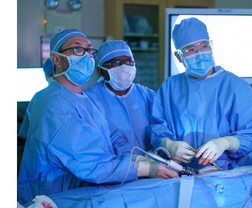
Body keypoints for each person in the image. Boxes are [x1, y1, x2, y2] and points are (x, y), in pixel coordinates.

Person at [17, 29, 178, 205]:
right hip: (52, 197)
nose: (86, 56)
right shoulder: (53, 103)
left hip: (84, 192)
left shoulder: (84, 100)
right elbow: (89, 161)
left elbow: (105, 143)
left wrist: (141, 157)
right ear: (57, 59)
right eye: (77, 49)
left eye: (89, 50)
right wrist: (145, 167)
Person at [149, 17, 252, 171]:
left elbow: (251, 134)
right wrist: (168, 144)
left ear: (211, 47)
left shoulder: (236, 86)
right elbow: (157, 127)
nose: (200, 53)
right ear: (178, 56)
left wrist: (225, 143)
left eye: (204, 46)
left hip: (225, 171)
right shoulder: (170, 87)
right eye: (191, 49)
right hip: (178, 171)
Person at [86, 40, 155, 156]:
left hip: (155, 168)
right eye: (115, 63)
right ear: (100, 70)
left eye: (129, 62)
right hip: (113, 171)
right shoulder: (90, 101)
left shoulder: (147, 95)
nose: (124, 67)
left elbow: (160, 128)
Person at [18, 59, 54, 141]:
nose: (54, 78)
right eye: (51, 74)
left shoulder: (39, 97)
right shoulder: (38, 98)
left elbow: (24, 133)